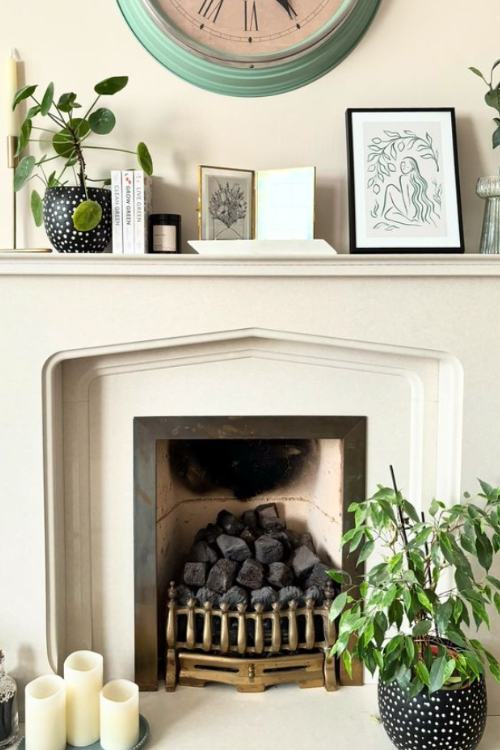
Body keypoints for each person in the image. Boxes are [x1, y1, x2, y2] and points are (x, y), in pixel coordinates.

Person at [381, 157, 437, 226]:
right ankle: (411, 221)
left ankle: (410, 222)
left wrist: (408, 216)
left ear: (413, 167)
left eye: (406, 165)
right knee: (389, 214)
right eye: (402, 164)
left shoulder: (403, 178)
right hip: (415, 210)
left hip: (409, 211)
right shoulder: (417, 179)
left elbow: (406, 198)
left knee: (390, 188)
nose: (403, 167)